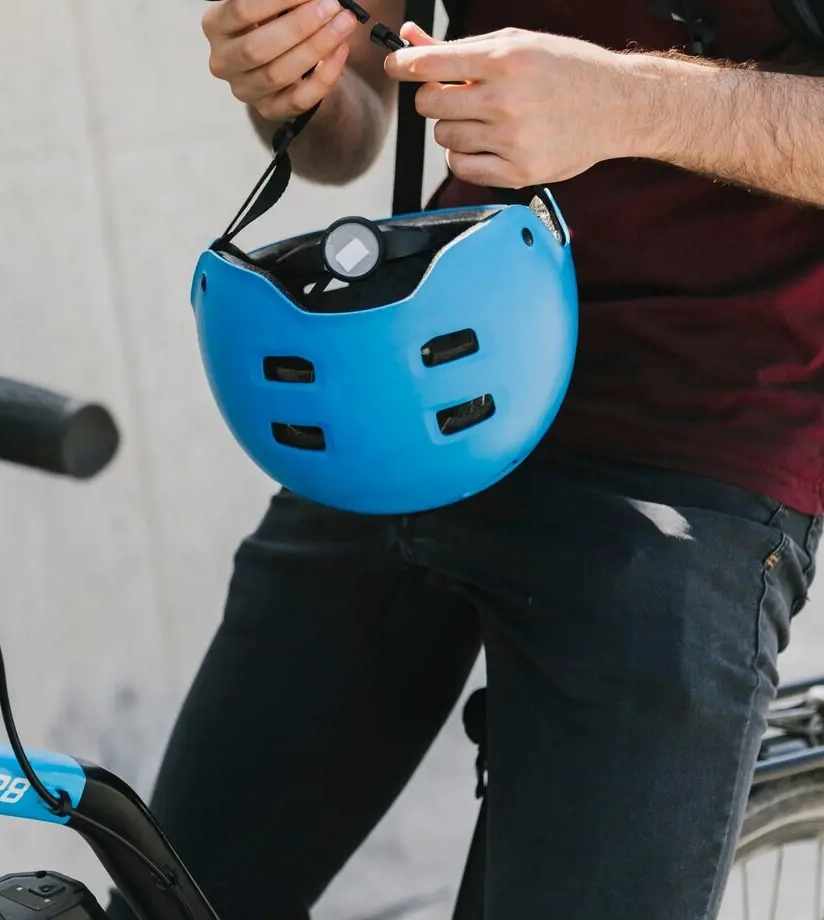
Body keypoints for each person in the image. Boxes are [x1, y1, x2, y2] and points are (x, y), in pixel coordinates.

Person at [107, 2, 824, 919]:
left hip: (695, 448)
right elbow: (353, 122)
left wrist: (631, 101)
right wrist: (292, 74)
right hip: (421, 388)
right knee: (171, 901)